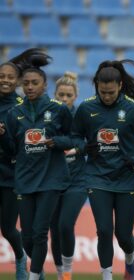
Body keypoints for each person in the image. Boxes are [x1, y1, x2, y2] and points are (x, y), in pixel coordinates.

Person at [71, 59, 134, 280]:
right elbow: (74, 137)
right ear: (97, 86)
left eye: (110, 92)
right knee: (104, 231)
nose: (106, 96)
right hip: (97, 177)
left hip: (128, 178)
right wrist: (82, 147)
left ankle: (130, 258)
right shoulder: (86, 109)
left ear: (119, 87)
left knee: (123, 235)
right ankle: (107, 276)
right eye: (102, 92)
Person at [0, 48, 73, 280]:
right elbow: (12, 149)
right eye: (27, 83)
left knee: (39, 233)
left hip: (47, 178)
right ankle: (37, 269)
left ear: (44, 85)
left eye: (34, 83)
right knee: (29, 238)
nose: (30, 87)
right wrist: (2, 136)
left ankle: (31, 274)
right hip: (24, 179)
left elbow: (75, 138)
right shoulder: (15, 114)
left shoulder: (58, 110)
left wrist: (57, 141)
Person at [50, 72, 87, 280]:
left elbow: (90, 144)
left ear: (75, 97)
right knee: (54, 229)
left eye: (68, 95)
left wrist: (78, 147)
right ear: (54, 95)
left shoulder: (82, 118)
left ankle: (67, 270)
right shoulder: (48, 118)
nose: (64, 99)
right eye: (60, 95)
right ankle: (59, 273)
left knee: (65, 224)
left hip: (77, 181)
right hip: (52, 181)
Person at [0, 59, 27, 280]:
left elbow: (19, 147)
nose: (5, 80)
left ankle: (20, 258)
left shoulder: (21, 106)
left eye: (10, 77)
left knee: (8, 229)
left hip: (10, 175)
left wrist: (3, 135)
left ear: (17, 81)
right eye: (2, 76)